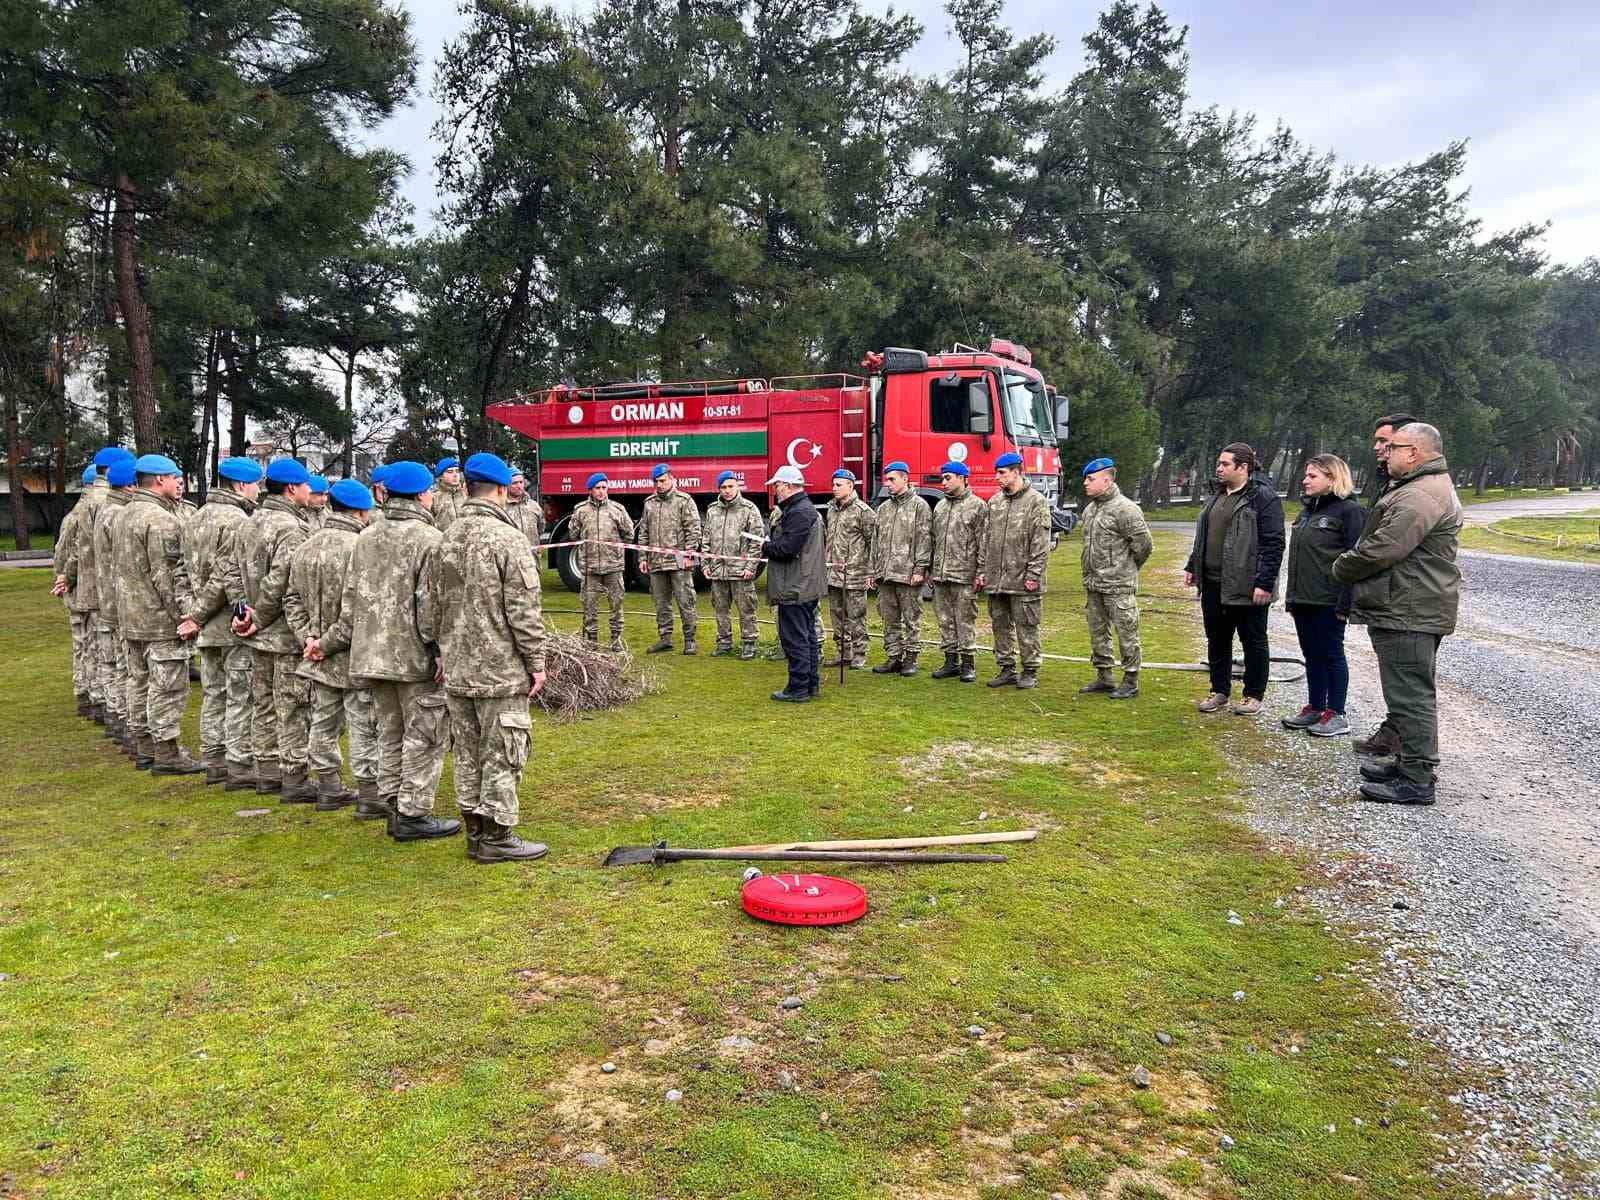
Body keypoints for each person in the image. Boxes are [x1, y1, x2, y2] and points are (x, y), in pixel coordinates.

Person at [319, 460, 459, 840]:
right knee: (425, 736)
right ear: (420, 494)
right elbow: (430, 605)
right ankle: (412, 813)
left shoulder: (365, 537)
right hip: (413, 657)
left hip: (372, 655)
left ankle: (393, 803)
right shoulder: (429, 539)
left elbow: (350, 604)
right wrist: (439, 649)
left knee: (389, 733)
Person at [420, 452, 549, 862]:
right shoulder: (507, 539)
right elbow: (523, 611)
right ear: (498, 489)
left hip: (457, 666)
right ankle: (496, 836)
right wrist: (537, 662)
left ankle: (476, 831)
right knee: (503, 750)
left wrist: (439, 651)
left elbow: (429, 606)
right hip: (500, 667)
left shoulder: (445, 538)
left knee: (468, 750)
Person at [1333, 422, 1462, 806]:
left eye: (1394, 446)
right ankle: (1408, 762)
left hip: (1410, 607)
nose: (1385, 452)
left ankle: (1417, 777)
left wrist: (1342, 566)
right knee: (1406, 691)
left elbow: (1382, 548)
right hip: (1408, 604)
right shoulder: (1419, 488)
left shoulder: (1420, 495)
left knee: (1411, 695)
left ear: (1416, 452)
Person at [227, 457, 314, 800]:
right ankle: (293, 777)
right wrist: (258, 616)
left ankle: (265, 771)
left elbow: (230, 572)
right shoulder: (292, 528)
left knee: (262, 703)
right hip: (281, 633)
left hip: (256, 632)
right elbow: (282, 580)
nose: (310, 490)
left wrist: (241, 611)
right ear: (292, 488)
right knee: (291, 705)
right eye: (306, 484)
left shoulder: (248, 522)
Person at [114, 454, 204, 775]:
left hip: (131, 617)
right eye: (174, 477)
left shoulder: (124, 514)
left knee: (138, 682)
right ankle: (166, 752)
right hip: (159, 620)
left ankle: (144, 747)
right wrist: (185, 616)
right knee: (167, 687)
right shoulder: (162, 520)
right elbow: (166, 577)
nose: (178, 482)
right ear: (160, 480)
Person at [286, 478, 372, 811]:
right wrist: (325, 643)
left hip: (317, 654)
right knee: (364, 723)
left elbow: (291, 597)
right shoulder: (361, 548)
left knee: (322, 722)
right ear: (362, 510)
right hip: (351, 652)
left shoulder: (307, 544)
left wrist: (307, 637)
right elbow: (359, 608)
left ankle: (328, 786)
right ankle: (370, 793)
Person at [1182, 443, 1284, 715]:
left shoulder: (1263, 497)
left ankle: (1253, 695)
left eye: (1225, 464)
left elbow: (1274, 544)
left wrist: (1264, 582)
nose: (1219, 468)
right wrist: (1193, 566)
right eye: (1219, 463)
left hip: (1247, 585)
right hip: (1213, 583)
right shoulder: (1216, 495)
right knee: (1217, 638)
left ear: (1243, 467)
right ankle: (1219, 691)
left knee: (1253, 640)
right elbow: (1204, 535)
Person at [181, 456, 263, 786]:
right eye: (256, 483)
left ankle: (214, 758)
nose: (259, 490)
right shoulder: (238, 521)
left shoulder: (193, 518)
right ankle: (238, 763)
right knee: (240, 695)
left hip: (205, 625)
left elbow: (181, 573)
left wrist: (191, 612)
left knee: (214, 694)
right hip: (231, 621)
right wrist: (201, 614)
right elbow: (226, 577)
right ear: (241, 485)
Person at [1281, 455, 1364, 738]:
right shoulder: (1306, 512)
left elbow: (1357, 559)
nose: (1305, 480)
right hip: (1304, 598)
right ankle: (1316, 707)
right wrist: (1292, 598)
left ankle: (1337, 713)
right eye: (1306, 475)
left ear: (1333, 478)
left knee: (1331, 654)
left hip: (1330, 600)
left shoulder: (1350, 511)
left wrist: (1346, 602)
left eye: (1313, 476)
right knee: (1311, 654)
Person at [1351, 413, 1418, 757]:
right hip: (1388, 595)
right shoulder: (1389, 482)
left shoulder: (1414, 490)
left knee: (1409, 681)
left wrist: (1347, 567)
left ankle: (1413, 758)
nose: (1378, 448)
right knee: (1396, 678)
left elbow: (1387, 545)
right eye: (1377, 442)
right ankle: (1395, 734)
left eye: (1385, 442)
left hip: (1407, 598)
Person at [1077, 457, 1153, 700]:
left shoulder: (1126, 509)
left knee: (1127, 633)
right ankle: (1104, 676)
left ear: (1107, 480)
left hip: (1118, 585)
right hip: (1094, 584)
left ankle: (1130, 679)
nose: (1085, 484)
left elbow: (1144, 546)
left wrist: (1125, 568)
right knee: (1098, 632)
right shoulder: (1090, 510)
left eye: (1090, 479)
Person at [975, 451, 1052, 689]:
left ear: (1016, 472)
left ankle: (1030, 670)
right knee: (1000, 625)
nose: (997, 477)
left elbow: (1040, 543)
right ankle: (1006, 668)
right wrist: (982, 570)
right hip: (997, 580)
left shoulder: (1035, 501)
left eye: (1002, 473)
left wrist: (1034, 575)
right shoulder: (995, 502)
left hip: (1022, 579)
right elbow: (985, 539)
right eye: (996, 473)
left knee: (1026, 626)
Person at [760, 465, 826, 701]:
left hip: (795, 586)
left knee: (795, 638)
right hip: (803, 585)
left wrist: (764, 546)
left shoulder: (799, 512)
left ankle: (798, 688)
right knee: (806, 636)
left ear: (788, 486)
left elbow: (787, 549)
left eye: (777, 485)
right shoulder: (804, 510)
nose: (775, 490)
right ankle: (809, 685)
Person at [52, 460, 110, 718]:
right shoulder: (83, 514)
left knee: (84, 647)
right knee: (93, 647)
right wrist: (65, 580)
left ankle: (85, 693)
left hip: (77, 591)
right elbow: (67, 554)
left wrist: (63, 579)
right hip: (85, 592)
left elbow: (61, 554)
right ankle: (92, 696)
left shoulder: (74, 514)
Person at [91, 458, 138, 758]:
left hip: (110, 599)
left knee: (118, 665)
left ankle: (119, 721)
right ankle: (130, 729)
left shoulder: (106, 510)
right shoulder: (119, 514)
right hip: (125, 603)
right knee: (130, 669)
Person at [870, 460, 931, 676]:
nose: (888, 483)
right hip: (885, 574)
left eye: (892, 479)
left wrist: (920, 569)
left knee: (911, 618)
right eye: (886, 479)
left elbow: (924, 539)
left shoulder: (919, 506)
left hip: (907, 574)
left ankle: (911, 658)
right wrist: (873, 570)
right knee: (889, 618)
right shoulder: (884, 508)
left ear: (905, 479)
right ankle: (894, 656)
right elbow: (875, 541)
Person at [928, 461, 986, 683]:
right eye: (943, 478)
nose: (944, 482)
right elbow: (933, 540)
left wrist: (980, 572)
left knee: (965, 620)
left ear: (962, 478)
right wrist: (931, 570)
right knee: (945, 620)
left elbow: (983, 542)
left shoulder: (978, 506)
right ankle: (950, 661)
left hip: (964, 574)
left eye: (948, 478)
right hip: (942, 575)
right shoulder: (940, 507)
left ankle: (968, 663)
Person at [700, 470, 764, 658]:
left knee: (746, 608)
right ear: (719, 489)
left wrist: (750, 567)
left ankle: (749, 643)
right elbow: (706, 539)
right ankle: (724, 642)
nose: (727, 490)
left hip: (740, 571)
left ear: (737, 486)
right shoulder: (712, 510)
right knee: (720, 609)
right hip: (718, 571)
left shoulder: (748, 509)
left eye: (730, 486)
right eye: (723, 487)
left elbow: (756, 540)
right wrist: (705, 564)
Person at [638, 463, 701, 654]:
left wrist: (690, 551)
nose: (660, 485)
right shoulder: (649, 503)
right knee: (660, 602)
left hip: (679, 561)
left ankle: (690, 639)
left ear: (672, 479)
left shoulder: (684, 500)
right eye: (656, 481)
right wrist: (642, 557)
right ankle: (665, 638)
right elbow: (644, 532)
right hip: (656, 562)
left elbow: (694, 528)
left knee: (686, 600)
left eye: (663, 480)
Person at [569, 472, 634, 652]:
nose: (601, 491)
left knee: (616, 605)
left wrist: (617, 549)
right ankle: (592, 641)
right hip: (590, 569)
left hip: (613, 567)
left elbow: (629, 534)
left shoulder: (617, 509)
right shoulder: (581, 511)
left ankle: (616, 639)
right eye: (597, 488)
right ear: (590, 490)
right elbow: (573, 535)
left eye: (604, 488)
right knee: (589, 607)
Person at [823, 469, 876, 670]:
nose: (834, 488)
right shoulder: (831, 509)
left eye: (839, 485)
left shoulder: (863, 512)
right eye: (833, 485)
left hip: (855, 573)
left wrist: (870, 571)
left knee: (856, 615)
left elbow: (873, 543)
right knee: (837, 615)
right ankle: (843, 652)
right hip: (833, 572)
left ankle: (859, 653)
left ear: (850, 486)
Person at [506, 468, 545, 556]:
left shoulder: (534, 506)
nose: (519, 486)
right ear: (507, 485)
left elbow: (541, 528)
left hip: (532, 557)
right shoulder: (501, 507)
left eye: (521, 482)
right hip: (512, 557)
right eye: (514, 483)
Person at [432, 457, 464, 532]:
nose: (455, 475)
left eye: (457, 471)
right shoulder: (434, 498)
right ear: (441, 476)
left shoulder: (465, 495)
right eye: (450, 472)